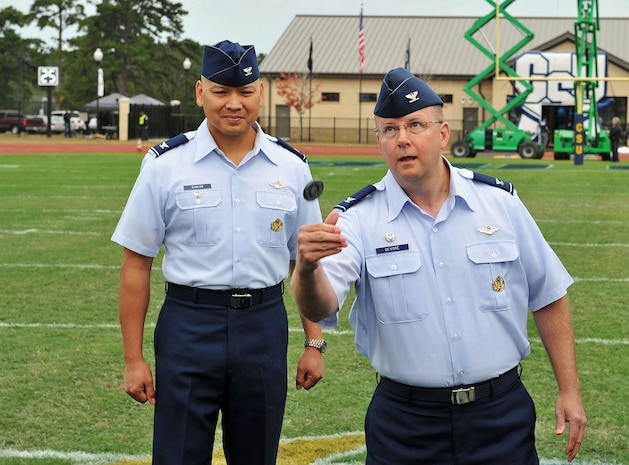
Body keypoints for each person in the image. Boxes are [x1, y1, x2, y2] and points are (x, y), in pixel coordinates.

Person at [291, 68, 587, 465]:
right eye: (390, 130)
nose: (403, 140)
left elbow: (548, 294)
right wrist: (308, 269)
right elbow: (322, 306)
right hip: (405, 424)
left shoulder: (499, 204)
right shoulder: (356, 219)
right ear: (379, 140)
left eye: (416, 125)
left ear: (443, 133)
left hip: (500, 416)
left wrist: (569, 390)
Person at [112, 40, 325, 465]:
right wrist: (133, 360)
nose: (234, 104)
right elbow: (137, 263)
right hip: (188, 327)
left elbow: (304, 260)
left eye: (245, 93)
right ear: (199, 92)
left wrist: (314, 342)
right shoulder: (164, 165)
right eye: (221, 92)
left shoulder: (292, 167)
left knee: (256, 455)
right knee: (178, 455)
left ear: (260, 93)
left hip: (264, 328)